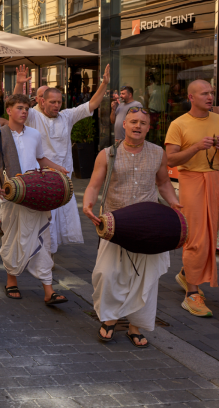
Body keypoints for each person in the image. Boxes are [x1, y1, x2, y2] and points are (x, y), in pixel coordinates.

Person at [84, 107, 180, 346]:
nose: (138, 126)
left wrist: (175, 203)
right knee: (107, 273)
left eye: (143, 123)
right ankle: (109, 319)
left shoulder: (158, 153)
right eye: (134, 121)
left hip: (149, 226)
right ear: (124, 125)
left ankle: (135, 326)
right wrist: (87, 204)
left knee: (145, 278)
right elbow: (94, 185)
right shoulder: (107, 154)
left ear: (149, 127)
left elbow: (163, 183)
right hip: (115, 224)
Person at [13, 64, 110, 256]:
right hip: (40, 178)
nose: (56, 105)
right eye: (52, 102)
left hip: (63, 179)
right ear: (42, 101)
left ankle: (48, 255)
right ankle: (43, 257)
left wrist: (104, 84)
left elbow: (91, 105)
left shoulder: (66, 116)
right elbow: (17, 106)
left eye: (59, 102)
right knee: (44, 218)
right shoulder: (33, 116)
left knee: (57, 219)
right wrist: (19, 85)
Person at [0, 94, 69, 305]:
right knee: (12, 238)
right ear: (9, 110)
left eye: (27, 108)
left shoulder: (34, 134)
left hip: (36, 194)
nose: (24, 112)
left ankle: (48, 289)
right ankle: (11, 280)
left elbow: (40, 159)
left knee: (42, 238)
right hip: (10, 195)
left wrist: (58, 169)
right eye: (20, 108)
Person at [165, 79, 219, 317]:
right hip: (192, 180)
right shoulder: (178, 124)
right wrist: (196, 147)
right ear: (191, 97)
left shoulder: (218, 119)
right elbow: (170, 159)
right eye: (204, 93)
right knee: (196, 236)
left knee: (211, 235)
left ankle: (187, 273)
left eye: (211, 93)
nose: (210, 97)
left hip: (215, 179)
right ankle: (192, 294)